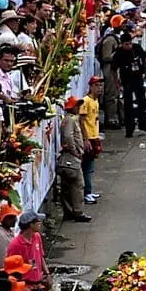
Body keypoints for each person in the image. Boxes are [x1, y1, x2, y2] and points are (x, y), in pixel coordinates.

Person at [5, 210, 50, 291]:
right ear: (30, 224)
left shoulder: (37, 237)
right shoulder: (15, 245)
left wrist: (47, 274)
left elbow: (41, 256)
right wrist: (21, 288)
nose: (40, 223)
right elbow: (10, 271)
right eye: (38, 221)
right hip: (25, 290)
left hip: (39, 286)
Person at [112, 33, 146, 138]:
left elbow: (144, 57)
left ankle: (143, 124)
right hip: (127, 81)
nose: (129, 46)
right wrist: (117, 83)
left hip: (138, 77)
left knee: (142, 102)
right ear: (122, 44)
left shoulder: (136, 48)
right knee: (128, 106)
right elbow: (114, 69)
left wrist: (145, 70)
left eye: (130, 43)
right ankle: (129, 129)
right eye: (126, 44)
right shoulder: (119, 53)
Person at [57, 97, 91, 223]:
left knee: (67, 186)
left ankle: (69, 211)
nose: (79, 108)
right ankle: (78, 212)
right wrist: (75, 151)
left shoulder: (67, 120)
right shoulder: (70, 120)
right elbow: (68, 136)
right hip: (72, 157)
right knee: (78, 184)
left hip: (67, 157)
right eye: (77, 105)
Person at [80, 76, 103, 204]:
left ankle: (89, 191)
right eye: (97, 85)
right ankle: (86, 193)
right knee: (87, 167)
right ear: (91, 86)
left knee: (90, 166)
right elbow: (82, 120)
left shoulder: (95, 101)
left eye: (100, 85)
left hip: (94, 136)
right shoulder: (86, 101)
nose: (100, 88)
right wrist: (85, 139)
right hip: (88, 137)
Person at [0, 203, 19, 269]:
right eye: (11, 217)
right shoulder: (0, 235)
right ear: (3, 218)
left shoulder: (9, 231)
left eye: (15, 217)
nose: (15, 220)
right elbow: (1, 259)